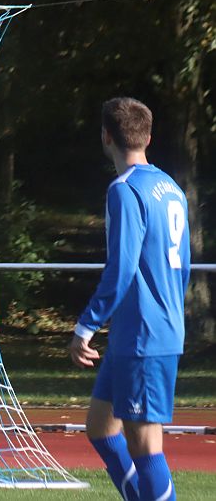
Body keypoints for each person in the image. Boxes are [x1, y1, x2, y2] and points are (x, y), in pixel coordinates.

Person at [68, 97, 187, 501]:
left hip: (144, 335)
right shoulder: (170, 187)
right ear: (148, 137)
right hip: (138, 333)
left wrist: (84, 327)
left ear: (106, 137)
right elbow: (182, 267)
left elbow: (120, 270)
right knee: (101, 427)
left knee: (145, 444)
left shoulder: (124, 190)